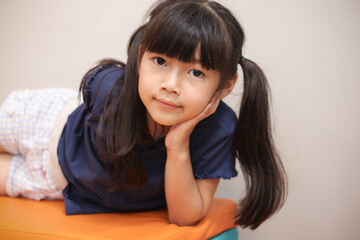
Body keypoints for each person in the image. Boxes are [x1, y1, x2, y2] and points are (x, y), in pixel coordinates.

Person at [0, 0, 287, 229]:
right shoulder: (111, 87)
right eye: (159, 61)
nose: (170, 85)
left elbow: (185, 217)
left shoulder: (219, 129)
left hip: (54, 177)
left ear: (225, 85)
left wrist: (177, 146)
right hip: (45, 122)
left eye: (196, 72)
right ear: (140, 57)